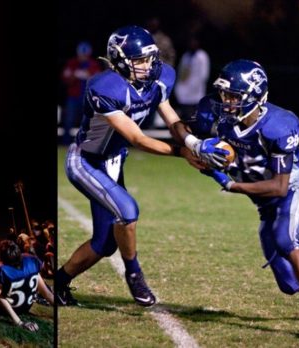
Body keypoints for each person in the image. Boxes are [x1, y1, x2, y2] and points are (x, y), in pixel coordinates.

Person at [56, 25, 227, 307]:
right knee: (128, 211)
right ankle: (134, 275)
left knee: (104, 243)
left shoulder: (159, 77)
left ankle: (60, 285)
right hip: (86, 161)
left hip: (111, 162)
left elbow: (171, 118)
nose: (148, 65)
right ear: (121, 61)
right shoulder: (105, 87)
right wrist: (182, 152)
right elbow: (137, 137)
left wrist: (195, 143)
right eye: (139, 60)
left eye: (149, 58)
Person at [186, 59, 299, 336]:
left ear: (254, 96)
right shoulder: (218, 116)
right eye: (224, 94)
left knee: (287, 240)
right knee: (289, 283)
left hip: (294, 190)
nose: (225, 101)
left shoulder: (278, 125)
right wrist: (196, 147)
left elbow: (278, 186)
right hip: (264, 203)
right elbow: (182, 130)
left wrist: (231, 186)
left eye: (233, 96)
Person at [61, 41, 102, 145]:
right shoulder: (72, 63)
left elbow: (98, 80)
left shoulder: (93, 64)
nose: (83, 57)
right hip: (73, 97)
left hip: (87, 98)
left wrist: (84, 75)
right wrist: (76, 75)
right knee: (69, 121)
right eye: (81, 54)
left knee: (87, 122)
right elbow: (66, 79)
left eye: (85, 54)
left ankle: (85, 143)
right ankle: (65, 143)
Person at [174, 35, 210, 122]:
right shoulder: (186, 56)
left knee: (195, 112)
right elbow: (181, 71)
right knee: (185, 111)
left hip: (197, 89)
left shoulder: (202, 56)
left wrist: (196, 85)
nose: (192, 44)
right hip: (185, 87)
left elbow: (204, 74)